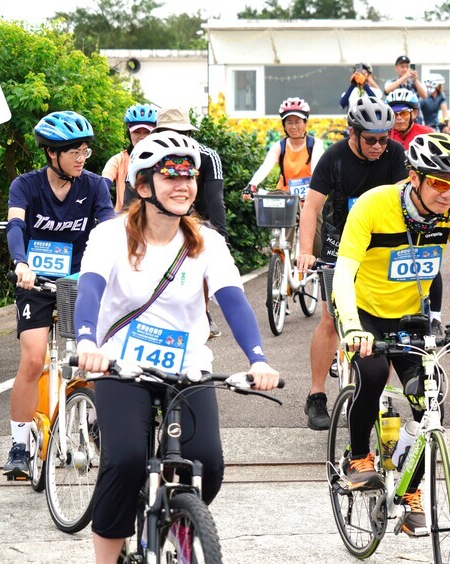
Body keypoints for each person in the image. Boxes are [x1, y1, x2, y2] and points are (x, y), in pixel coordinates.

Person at [73, 130, 280, 563]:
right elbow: (89, 289)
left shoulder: (207, 241)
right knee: (125, 460)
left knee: (208, 463)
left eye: (190, 176)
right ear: (143, 185)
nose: (183, 185)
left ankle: (178, 521)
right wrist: (88, 341)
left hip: (187, 367)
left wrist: (258, 359)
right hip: (120, 365)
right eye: (170, 176)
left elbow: (233, 301)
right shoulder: (110, 236)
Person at [332, 132, 450, 535]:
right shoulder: (373, 205)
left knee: (430, 399)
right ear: (414, 178)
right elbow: (343, 271)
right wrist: (353, 327)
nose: (449, 194)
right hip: (363, 312)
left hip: (411, 315)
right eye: (439, 184)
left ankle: (411, 492)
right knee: (374, 374)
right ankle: (358, 456)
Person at [2, 110, 115, 478]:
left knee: (92, 359)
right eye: (74, 152)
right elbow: (15, 225)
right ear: (52, 153)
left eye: (85, 151)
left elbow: (109, 229)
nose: (82, 158)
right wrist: (21, 262)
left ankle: (95, 424)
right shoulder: (25, 185)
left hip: (78, 283)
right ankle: (20, 445)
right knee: (34, 360)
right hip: (34, 283)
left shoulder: (95, 186)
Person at [295, 96, 406, 431]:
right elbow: (311, 208)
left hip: (379, 247)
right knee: (331, 319)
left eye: (384, 139)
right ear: (353, 133)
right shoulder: (333, 158)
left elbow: (403, 201)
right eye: (370, 139)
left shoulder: (395, 154)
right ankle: (316, 395)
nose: (378, 146)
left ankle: (375, 393)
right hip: (338, 244)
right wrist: (305, 251)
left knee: (384, 323)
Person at [153, 108, 228, 337]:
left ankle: (203, 312)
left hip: (196, 217)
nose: (176, 139)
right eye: (169, 133)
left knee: (202, 252)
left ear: (190, 134)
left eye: (182, 133)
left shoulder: (207, 156)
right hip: (156, 218)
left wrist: (221, 237)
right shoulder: (147, 155)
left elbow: (215, 199)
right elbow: (132, 196)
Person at [386, 88, 444, 335]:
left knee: (429, 258)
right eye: (394, 113)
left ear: (414, 113)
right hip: (393, 203)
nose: (398, 118)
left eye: (403, 113)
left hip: (422, 203)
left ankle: (436, 317)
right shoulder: (383, 135)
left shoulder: (427, 134)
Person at [245, 97, 325, 199]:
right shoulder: (279, 146)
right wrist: (252, 185)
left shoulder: (315, 144)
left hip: (309, 197)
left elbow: (316, 169)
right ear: (284, 125)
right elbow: (265, 167)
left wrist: (314, 189)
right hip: (284, 198)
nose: (293, 127)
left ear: (305, 123)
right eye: (289, 122)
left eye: (297, 122)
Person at [101, 104, 157, 212]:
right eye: (136, 132)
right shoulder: (118, 160)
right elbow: (103, 185)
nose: (142, 137)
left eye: (147, 132)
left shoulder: (162, 159)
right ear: (129, 133)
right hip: (124, 217)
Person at [384, 55, 428, 123]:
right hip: (398, 120)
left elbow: (425, 96)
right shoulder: (391, 82)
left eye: (407, 67)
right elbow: (386, 90)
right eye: (402, 67)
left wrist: (415, 80)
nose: (405, 69)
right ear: (396, 68)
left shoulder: (414, 83)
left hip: (416, 120)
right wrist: (405, 76)